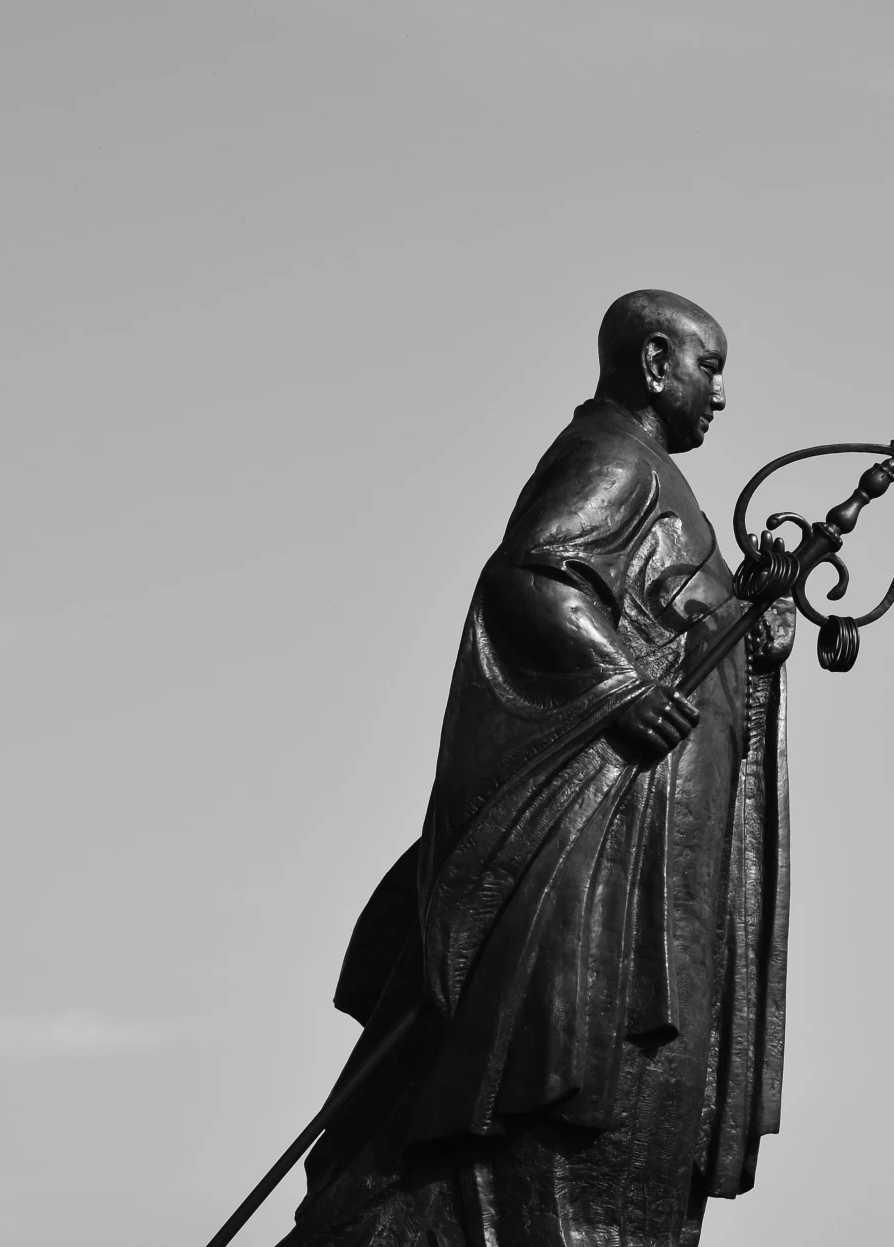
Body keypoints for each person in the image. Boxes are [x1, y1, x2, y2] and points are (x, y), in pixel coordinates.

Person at [279, 290, 796, 1247]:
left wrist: (747, 620)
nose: (719, 393)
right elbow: (531, 577)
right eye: (708, 366)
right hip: (598, 879)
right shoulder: (612, 458)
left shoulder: (657, 481)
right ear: (653, 362)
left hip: (655, 872)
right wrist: (621, 688)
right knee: (553, 1113)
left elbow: (667, 618)